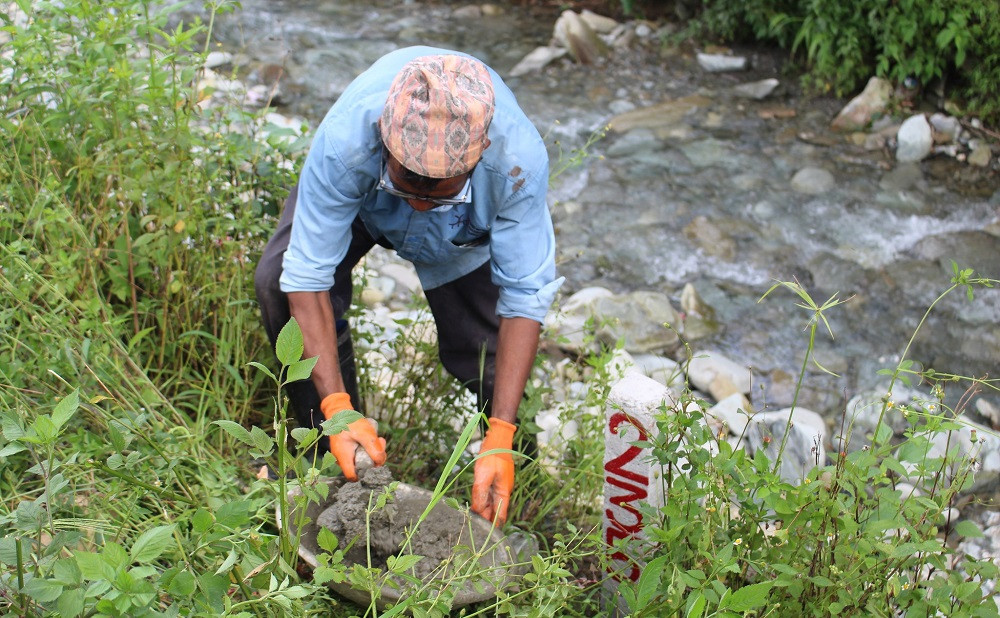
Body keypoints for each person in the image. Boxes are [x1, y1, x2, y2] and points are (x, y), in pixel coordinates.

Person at [254, 46, 563, 525]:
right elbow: (307, 274)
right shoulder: (347, 142)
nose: (417, 204)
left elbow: (525, 297)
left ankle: (511, 477)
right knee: (276, 282)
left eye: (435, 190)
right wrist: (336, 406)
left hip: (461, 231)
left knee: (484, 350)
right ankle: (331, 452)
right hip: (364, 202)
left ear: (476, 160)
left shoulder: (514, 162)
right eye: (408, 183)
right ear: (385, 139)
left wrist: (499, 431)